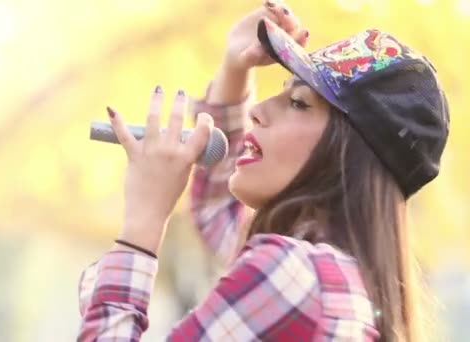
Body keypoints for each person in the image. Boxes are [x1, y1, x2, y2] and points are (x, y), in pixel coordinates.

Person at [77, 1, 449, 341]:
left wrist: (141, 225)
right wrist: (234, 69)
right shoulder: (343, 279)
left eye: (298, 103)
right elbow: (219, 213)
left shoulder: (295, 275)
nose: (260, 109)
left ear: (347, 155)